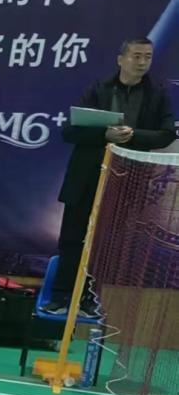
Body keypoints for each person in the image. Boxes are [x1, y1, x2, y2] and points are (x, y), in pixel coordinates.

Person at [46, 37, 176, 316]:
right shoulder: (98, 89)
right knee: (72, 238)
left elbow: (167, 134)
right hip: (85, 177)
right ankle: (60, 296)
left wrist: (132, 136)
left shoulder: (157, 94)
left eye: (147, 57)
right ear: (121, 59)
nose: (142, 62)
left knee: (106, 243)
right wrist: (104, 134)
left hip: (127, 180)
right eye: (136, 56)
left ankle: (89, 299)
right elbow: (69, 131)